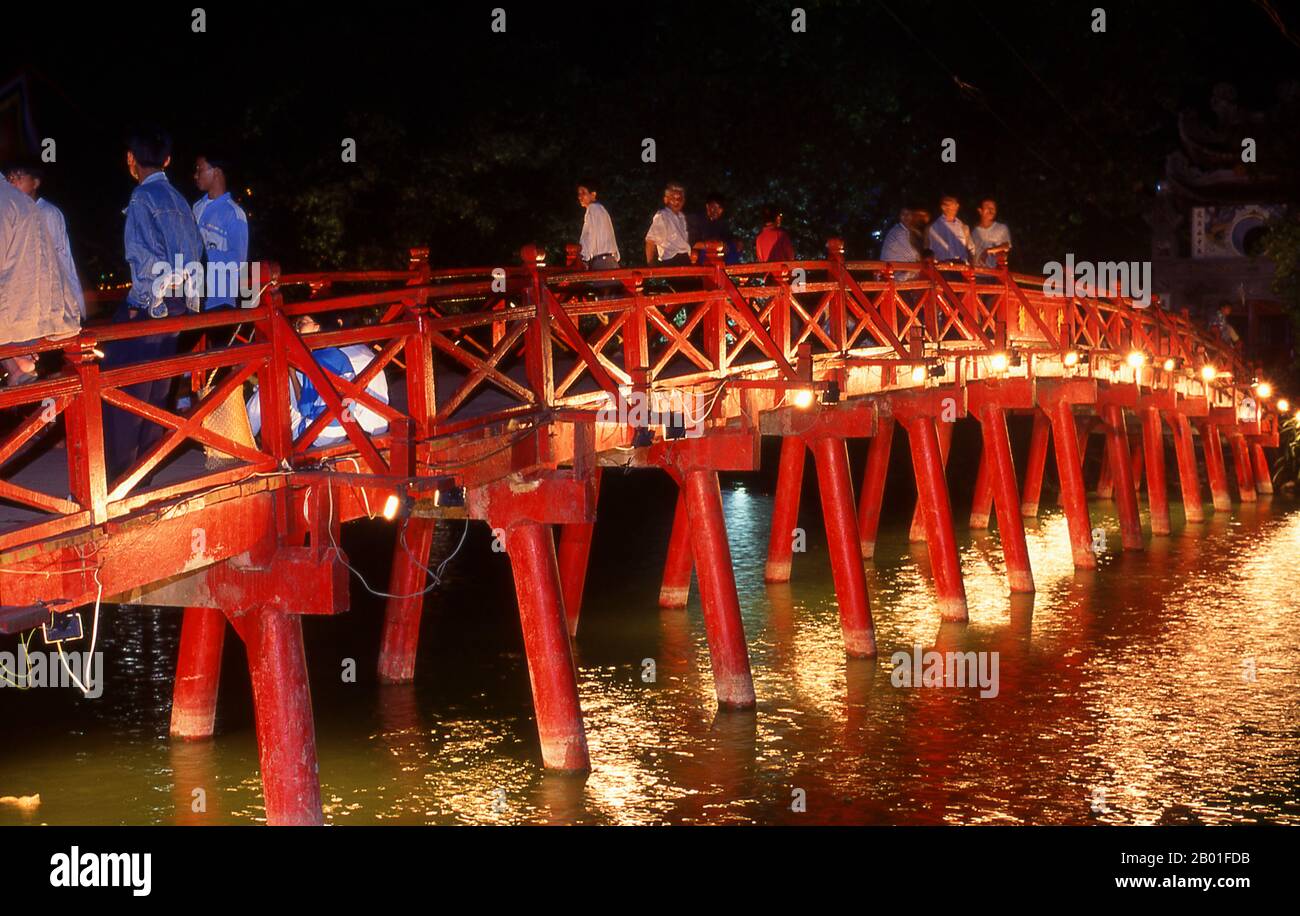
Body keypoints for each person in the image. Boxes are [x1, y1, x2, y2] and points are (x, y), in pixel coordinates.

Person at [101, 126, 205, 479]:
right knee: (156, 388)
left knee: (123, 387)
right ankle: (145, 468)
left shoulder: (141, 199)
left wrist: (139, 303)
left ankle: (120, 476)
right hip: (178, 304)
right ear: (167, 160)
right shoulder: (179, 199)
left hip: (152, 303)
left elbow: (141, 257)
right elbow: (195, 253)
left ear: (132, 160)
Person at [246, 315, 389, 447]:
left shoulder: (314, 359)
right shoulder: (348, 355)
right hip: (353, 429)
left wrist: (292, 374)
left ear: (317, 326)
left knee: (276, 384)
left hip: (319, 436)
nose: (296, 328)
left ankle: (245, 436)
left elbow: (305, 409)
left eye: (301, 323)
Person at [0, 168, 81, 386]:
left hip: (20, 321)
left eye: (19, 176)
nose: (14, 180)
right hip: (41, 317)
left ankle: (18, 365)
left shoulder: (15, 205)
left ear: (35, 182)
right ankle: (19, 368)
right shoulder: (23, 203)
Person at [6, 162, 86, 319]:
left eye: (19, 178)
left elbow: (50, 260)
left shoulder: (46, 212)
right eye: (10, 179)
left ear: (35, 183)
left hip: (54, 299)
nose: (12, 183)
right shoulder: (19, 215)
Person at [192, 152, 249, 310]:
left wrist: (204, 256)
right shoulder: (197, 207)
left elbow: (238, 260)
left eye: (200, 169)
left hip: (220, 301)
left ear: (216, 172)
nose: (196, 175)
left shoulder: (234, 213)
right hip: (195, 296)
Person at [644, 182, 692, 266]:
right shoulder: (663, 216)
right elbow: (650, 241)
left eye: (679, 198)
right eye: (673, 198)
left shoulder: (682, 217)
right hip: (671, 261)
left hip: (686, 259)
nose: (677, 201)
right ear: (666, 200)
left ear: (683, 200)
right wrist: (651, 267)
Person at [690, 192, 741, 265]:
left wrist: (735, 241)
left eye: (720, 208)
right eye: (714, 207)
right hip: (699, 253)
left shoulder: (721, 222)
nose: (716, 211)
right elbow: (692, 243)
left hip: (716, 252)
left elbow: (728, 236)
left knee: (734, 245)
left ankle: (731, 270)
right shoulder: (695, 219)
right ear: (707, 206)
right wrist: (711, 244)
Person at [880, 206, 930, 280]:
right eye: (903, 214)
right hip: (896, 277)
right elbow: (914, 257)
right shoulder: (899, 232)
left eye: (908, 214)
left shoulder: (913, 231)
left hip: (902, 274)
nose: (905, 217)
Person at [926, 195, 974, 264]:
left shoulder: (964, 227)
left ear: (957, 206)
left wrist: (970, 263)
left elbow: (971, 249)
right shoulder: (933, 227)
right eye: (945, 205)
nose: (948, 207)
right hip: (941, 268)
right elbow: (927, 250)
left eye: (951, 204)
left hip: (961, 267)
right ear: (942, 207)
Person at [970, 197, 1012, 268]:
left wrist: (988, 251)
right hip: (976, 272)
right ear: (980, 210)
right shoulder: (974, 231)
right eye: (987, 207)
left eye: (993, 208)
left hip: (994, 272)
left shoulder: (1001, 228)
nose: (990, 210)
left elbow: (1006, 246)